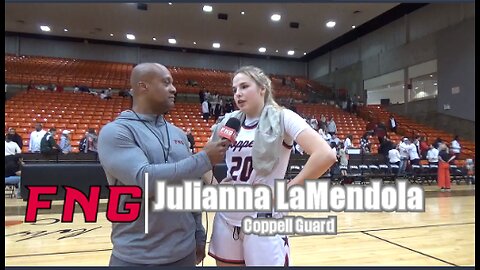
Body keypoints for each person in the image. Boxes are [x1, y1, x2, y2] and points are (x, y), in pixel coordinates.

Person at [97, 63, 229, 267]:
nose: (174, 89)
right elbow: (145, 179)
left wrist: (198, 233)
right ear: (143, 87)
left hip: (184, 252)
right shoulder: (116, 132)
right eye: (166, 83)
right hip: (136, 256)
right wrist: (204, 158)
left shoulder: (178, 134)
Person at [207, 66, 336, 266]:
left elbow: (325, 155)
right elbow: (204, 158)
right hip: (227, 214)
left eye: (244, 86)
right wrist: (214, 185)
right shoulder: (229, 121)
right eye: (234, 89)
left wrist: (289, 189)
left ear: (262, 89)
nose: (238, 93)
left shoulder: (283, 117)